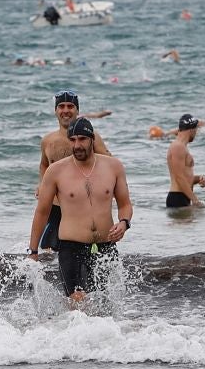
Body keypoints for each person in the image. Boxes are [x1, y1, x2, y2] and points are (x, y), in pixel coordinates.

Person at [28, 117, 133, 302]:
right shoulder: (56, 171)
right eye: (73, 140)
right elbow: (42, 212)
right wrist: (33, 251)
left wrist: (124, 223)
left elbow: (125, 204)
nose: (77, 145)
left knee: (105, 302)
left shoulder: (113, 166)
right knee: (78, 302)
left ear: (92, 139)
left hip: (105, 246)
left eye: (82, 139)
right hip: (70, 247)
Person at [37, 90, 111, 252]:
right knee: (48, 252)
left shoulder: (91, 137)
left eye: (70, 106)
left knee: (86, 250)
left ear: (77, 110)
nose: (66, 110)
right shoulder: (47, 141)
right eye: (61, 106)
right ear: (55, 111)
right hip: (56, 206)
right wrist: (42, 184)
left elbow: (108, 164)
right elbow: (44, 165)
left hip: (80, 206)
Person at [165, 114, 205, 208]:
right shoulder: (178, 147)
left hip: (182, 197)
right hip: (177, 199)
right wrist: (196, 201)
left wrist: (198, 179)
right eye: (196, 130)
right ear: (192, 130)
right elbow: (179, 178)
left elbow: (184, 177)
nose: (196, 133)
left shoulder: (182, 147)